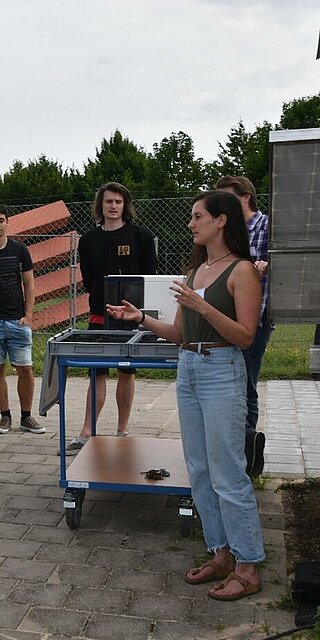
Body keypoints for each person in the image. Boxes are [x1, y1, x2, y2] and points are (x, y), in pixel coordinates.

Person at [106, 190, 265, 601]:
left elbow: (246, 337)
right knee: (197, 468)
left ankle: (248, 567)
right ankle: (221, 553)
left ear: (221, 221)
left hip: (222, 369)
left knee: (228, 472)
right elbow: (178, 334)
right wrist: (140, 317)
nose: (191, 223)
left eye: (198, 217)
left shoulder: (241, 270)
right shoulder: (196, 272)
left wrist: (205, 307)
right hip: (189, 367)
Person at [63, 182, 157, 455]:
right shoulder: (89, 240)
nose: (113, 206)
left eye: (118, 201)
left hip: (131, 318)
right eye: (108, 202)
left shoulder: (141, 236)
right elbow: (89, 278)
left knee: (126, 372)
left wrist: (137, 312)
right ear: (100, 205)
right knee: (97, 372)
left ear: (126, 205)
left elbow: (148, 276)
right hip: (99, 317)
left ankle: (122, 430)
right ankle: (86, 432)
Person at [216, 175, 272, 477]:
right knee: (230, 384)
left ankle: (247, 451)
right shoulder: (229, 231)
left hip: (257, 318)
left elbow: (284, 262)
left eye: (228, 199)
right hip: (226, 318)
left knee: (247, 383)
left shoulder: (266, 226)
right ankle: (236, 446)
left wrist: (266, 266)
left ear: (246, 197)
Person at [0, 208, 45, 434]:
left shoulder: (19, 250)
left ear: (7, 223)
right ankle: (4, 416)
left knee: (25, 370)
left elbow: (29, 284)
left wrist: (28, 316)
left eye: (0, 220)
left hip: (17, 321)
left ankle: (26, 417)